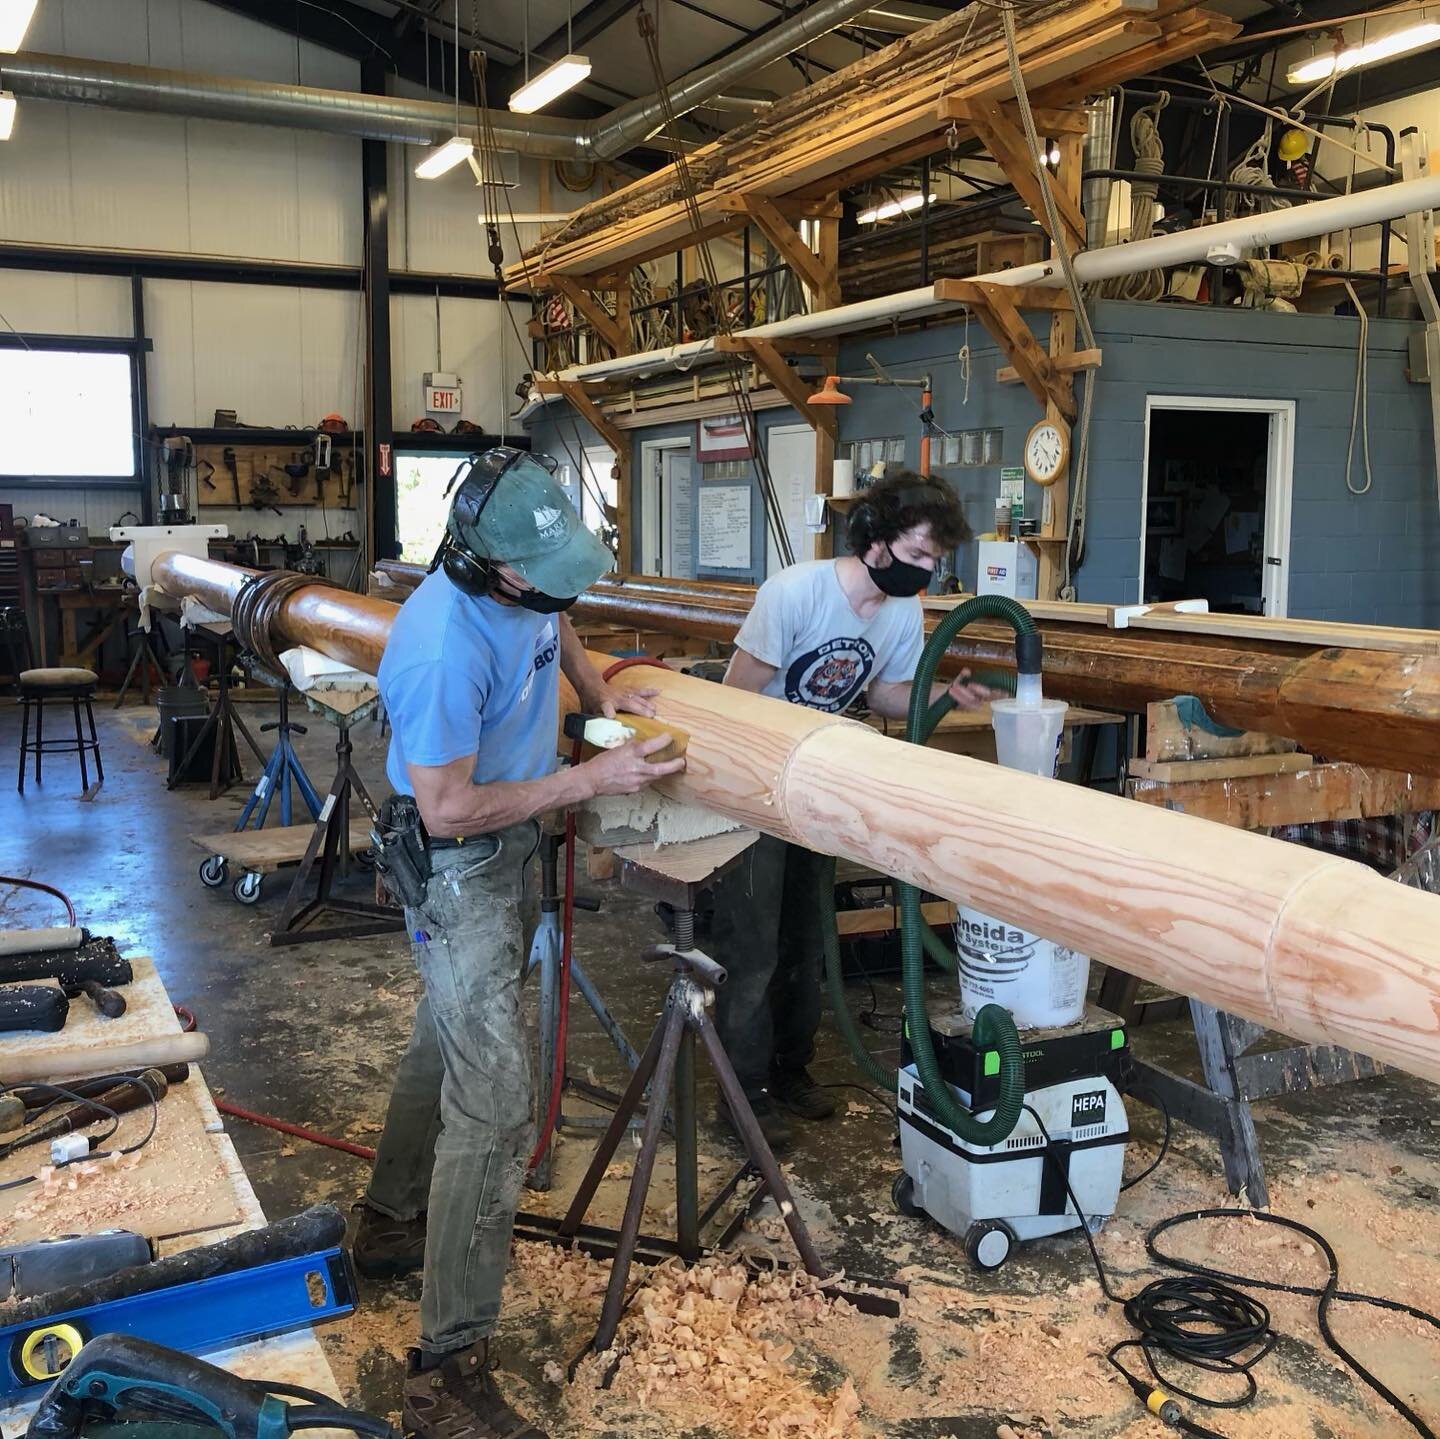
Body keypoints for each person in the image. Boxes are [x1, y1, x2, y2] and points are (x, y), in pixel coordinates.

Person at [351, 448, 685, 1439]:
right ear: (492, 567)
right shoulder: (442, 647)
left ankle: (389, 1220)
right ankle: (445, 1371)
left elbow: (558, 621)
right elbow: (447, 809)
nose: (555, 590)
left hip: (512, 838)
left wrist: (602, 699)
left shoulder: (527, 584)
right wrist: (586, 782)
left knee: (442, 1035)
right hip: (461, 864)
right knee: (494, 1108)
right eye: (543, 575)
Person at [709, 471, 990, 1150]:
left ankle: (791, 1069)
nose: (927, 572)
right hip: (755, 781)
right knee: (751, 949)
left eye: (934, 561)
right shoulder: (795, 593)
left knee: (808, 936)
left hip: (818, 779)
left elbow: (888, 694)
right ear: (878, 542)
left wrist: (940, 693)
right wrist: (748, 781)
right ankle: (740, 1097)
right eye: (919, 556)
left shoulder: (900, 612)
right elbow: (732, 696)